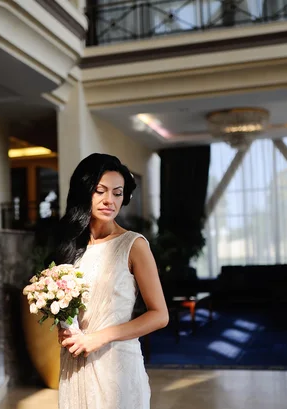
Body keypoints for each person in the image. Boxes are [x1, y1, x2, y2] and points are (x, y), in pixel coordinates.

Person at [51, 153, 168, 409]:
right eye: (100, 191)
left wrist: (99, 337)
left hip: (117, 365)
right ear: (85, 192)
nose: (110, 200)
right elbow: (65, 303)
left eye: (117, 193)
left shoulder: (133, 245)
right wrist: (65, 327)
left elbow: (160, 315)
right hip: (75, 363)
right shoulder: (70, 246)